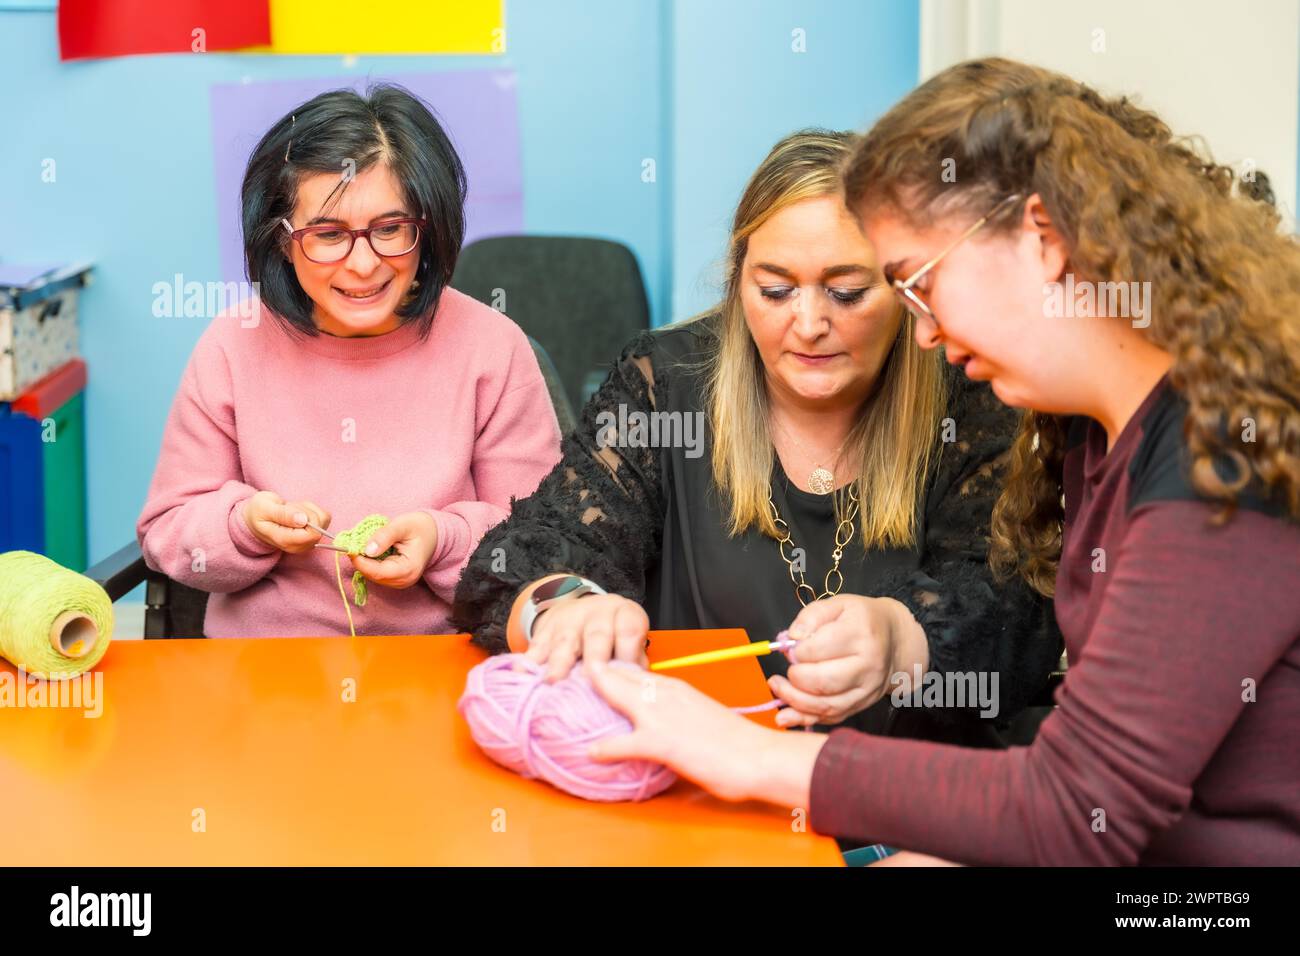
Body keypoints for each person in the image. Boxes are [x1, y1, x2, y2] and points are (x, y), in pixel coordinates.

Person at [584, 59, 1300, 866]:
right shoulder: (1097, 433)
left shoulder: (1219, 454)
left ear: (1045, 240)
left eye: (918, 284)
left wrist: (750, 756)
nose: (922, 333)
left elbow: (1076, 808)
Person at [453, 129, 1060, 743]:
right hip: (688, 800)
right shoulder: (666, 383)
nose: (809, 323)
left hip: (889, 810)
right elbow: (529, 550)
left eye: (847, 292)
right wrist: (565, 606)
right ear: (738, 281)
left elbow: (1017, 612)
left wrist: (904, 636)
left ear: (905, 287)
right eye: (775, 290)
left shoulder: (964, 395)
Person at [138, 84, 561, 637]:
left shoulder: (494, 347)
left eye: (390, 229)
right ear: (282, 241)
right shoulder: (232, 343)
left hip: (441, 667)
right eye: (328, 234)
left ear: (429, 230)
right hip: (266, 674)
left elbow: (543, 543)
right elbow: (167, 531)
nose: (363, 264)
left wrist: (443, 541)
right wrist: (245, 527)